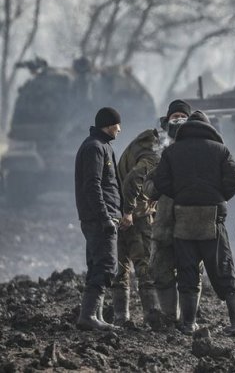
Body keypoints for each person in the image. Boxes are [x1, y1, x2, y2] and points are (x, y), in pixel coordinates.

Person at [153, 110, 235, 336]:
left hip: (183, 217)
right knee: (224, 269)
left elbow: (161, 182)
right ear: (208, 127)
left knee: (187, 272)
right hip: (212, 217)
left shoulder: (172, 151)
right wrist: (218, 195)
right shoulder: (220, 150)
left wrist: (181, 194)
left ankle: (188, 324)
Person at [74, 107, 123, 331]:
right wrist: (105, 218)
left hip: (102, 217)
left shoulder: (102, 146)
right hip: (99, 219)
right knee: (105, 266)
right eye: (116, 125)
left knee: (97, 264)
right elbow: (92, 186)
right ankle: (89, 316)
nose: (119, 129)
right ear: (108, 125)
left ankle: (96, 317)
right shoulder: (94, 147)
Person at [144, 99, 193, 324]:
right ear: (168, 120)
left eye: (183, 116)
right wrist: (160, 186)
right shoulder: (157, 149)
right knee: (160, 270)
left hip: (192, 222)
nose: (178, 120)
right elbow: (148, 185)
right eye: (175, 116)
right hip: (163, 220)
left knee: (190, 271)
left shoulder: (200, 145)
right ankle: (169, 316)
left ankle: (189, 319)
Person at [111, 127, 161, 325]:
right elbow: (134, 178)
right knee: (146, 265)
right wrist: (130, 210)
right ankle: (152, 316)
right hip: (137, 216)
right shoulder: (153, 154)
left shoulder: (139, 146)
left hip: (122, 212)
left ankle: (121, 317)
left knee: (121, 267)